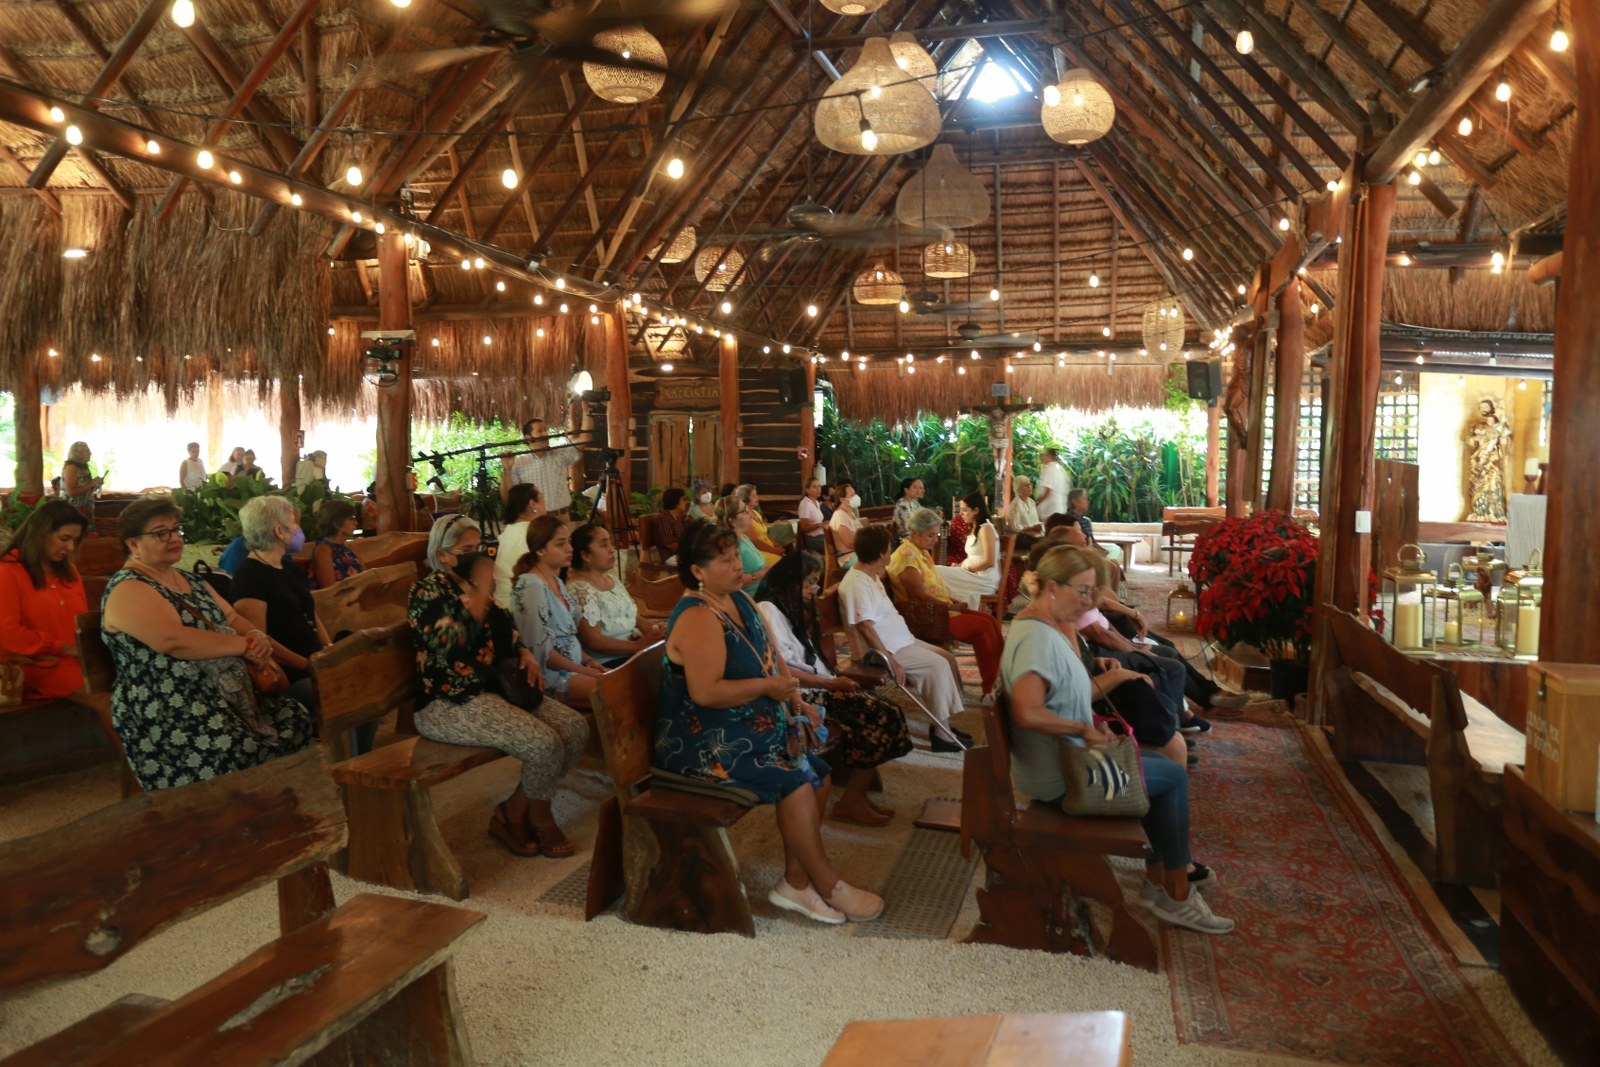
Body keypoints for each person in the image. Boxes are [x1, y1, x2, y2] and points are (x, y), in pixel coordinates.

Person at [657, 521, 884, 923]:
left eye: (735, 557)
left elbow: (772, 654)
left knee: (819, 772)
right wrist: (768, 687)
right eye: (725, 561)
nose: (736, 566)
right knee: (794, 781)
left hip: (746, 723)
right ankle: (828, 883)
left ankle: (795, 884)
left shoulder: (739, 600)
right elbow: (705, 692)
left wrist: (797, 700)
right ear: (697, 571)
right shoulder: (697, 617)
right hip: (705, 740)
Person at [1001, 544, 1233, 935]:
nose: (1090, 602)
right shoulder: (1036, 639)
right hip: (1062, 778)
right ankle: (1175, 894)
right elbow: (1027, 712)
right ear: (1052, 587)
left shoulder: (1044, 628)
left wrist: (1104, 676)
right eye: (1084, 592)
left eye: (1094, 593)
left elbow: (1068, 696)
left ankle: (1160, 883)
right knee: (1172, 778)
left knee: (1162, 769)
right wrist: (1082, 730)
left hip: (1067, 763)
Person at [100, 497, 313, 791]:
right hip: (172, 707)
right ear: (133, 544)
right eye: (161, 533)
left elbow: (233, 617)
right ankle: (236, 822)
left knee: (296, 718)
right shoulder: (128, 588)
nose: (174, 538)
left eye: (176, 530)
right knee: (234, 747)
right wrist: (243, 646)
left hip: (228, 696)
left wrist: (256, 636)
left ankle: (276, 812)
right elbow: (172, 640)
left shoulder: (190, 580)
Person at [409, 514, 588, 857]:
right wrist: (479, 592)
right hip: (448, 701)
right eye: (466, 550)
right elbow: (450, 643)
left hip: (496, 689)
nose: (477, 556)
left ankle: (514, 808)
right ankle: (540, 815)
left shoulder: (477, 588)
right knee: (542, 744)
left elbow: (506, 626)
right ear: (443, 555)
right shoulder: (426, 591)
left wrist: (524, 652)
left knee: (575, 729)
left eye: (479, 548)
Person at [759, 552, 910, 826]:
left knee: (887, 711)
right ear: (789, 581)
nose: (813, 591)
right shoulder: (768, 610)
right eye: (809, 583)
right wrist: (831, 683)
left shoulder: (787, 607)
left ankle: (857, 795)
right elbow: (781, 670)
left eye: (816, 584)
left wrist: (834, 678)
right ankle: (851, 800)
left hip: (820, 687)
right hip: (801, 695)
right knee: (880, 715)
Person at [839, 526, 968, 753]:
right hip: (883, 650)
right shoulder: (856, 584)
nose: (892, 552)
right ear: (880, 554)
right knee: (937, 666)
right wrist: (890, 659)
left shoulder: (871, 575)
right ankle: (941, 735)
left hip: (901, 641)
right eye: (889, 549)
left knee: (946, 658)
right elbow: (865, 626)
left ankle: (943, 723)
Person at [888, 506, 1004, 703]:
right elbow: (918, 595)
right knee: (983, 628)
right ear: (915, 533)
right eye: (930, 535)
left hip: (940, 610)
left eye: (935, 534)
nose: (935, 540)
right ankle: (989, 689)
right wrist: (950, 606)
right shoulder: (906, 556)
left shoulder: (919, 551)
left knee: (990, 622)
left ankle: (997, 683)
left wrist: (952, 601)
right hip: (927, 616)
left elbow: (933, 586)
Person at [227, 496, 327, 714]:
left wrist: (331, 651)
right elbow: (258, 639)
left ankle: (359, 749)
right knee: (349, 694)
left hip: (316, 662)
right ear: (279, 531)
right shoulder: (249, 577)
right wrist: (307, 665)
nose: (298, 529)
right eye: (293, 523)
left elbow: (310, 614)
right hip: (288, 673)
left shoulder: (287, 567)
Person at [510, 515, 606, 708]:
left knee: (626, 685)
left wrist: (589, 661)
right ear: (540, 550)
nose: (570, 549)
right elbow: (540, 652)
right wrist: (585, 671)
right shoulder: (531, 586)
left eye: (569, 542)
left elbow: (569, 635)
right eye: (560, 544)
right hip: (550, 675)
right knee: (615, 692)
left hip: (573, 668)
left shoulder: (558, 582)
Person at [0, 501, 89, 700]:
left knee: (131, 684)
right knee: (105, 697)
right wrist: (63, 647)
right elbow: (8, 635)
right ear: (41, 533)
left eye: (75, 540)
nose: (70, 547)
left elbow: (80, 621)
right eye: (64, 538)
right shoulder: (8, 569)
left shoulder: (68, 570)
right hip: (32, 663)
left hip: (73, 659)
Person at [566, 522, 663, 666]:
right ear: (585, 555)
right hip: (611, 662)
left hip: (635, 651)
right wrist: (638, 646)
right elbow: (593, 640)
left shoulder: (612, 580)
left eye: (610, 543)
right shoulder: (580, 589)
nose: (612, 549)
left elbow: (632, 616)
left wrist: (657, 630)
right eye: (604, 545)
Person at [501, 416, 580, 514]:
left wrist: (586, 411)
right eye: (540, 431)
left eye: (545, 430)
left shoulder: (559, 455)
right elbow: (507, 496)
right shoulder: (519, 463)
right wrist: (507, 470)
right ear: (528, 438)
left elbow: (584, 440)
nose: (545, 434)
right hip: (535, 519)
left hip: (561, 516)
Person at [937, 492, 1001, 610]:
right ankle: (951, 611)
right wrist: (959, 565)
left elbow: (989, 561)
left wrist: (966, 568)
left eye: (964, 510)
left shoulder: (986, 529)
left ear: (976, 510)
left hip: (984, 579)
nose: (961, 513)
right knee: (934, 570)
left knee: (935, 572)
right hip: (973, 574)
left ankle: (951, 611)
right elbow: (972, 557)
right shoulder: (974, 528)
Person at [494, 483, 544, 608]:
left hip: (503, 600)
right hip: (516, 605)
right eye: (542, 498)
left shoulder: (511, 529)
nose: (545, 502)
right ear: (533, 504)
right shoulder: (529, 533)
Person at [1465, 398, 1511, 523]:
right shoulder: (1477, 424)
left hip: (1493, 461)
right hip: (1479, 459)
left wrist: (1504, 442)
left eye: (1486, 407)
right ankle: (1478, 512)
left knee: (1493, 484)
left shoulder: (1500, 425)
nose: (1483, 409)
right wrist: (1477, 439)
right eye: (1481, 407)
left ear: (1491, 408)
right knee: (1477, 486)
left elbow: (1506, 439)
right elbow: (1469, 440)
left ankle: (1494, 513)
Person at [714, 494, 770, 588]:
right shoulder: (730, 545)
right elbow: (732, 580)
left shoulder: (744, 537)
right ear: (731, 520)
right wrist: (758, 575)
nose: (749, 512)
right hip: (753, 597)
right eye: (744, 510)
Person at [308, 498, 365, 591]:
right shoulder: (324, 551)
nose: (356, 523)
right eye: (351, 519)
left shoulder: (351, 548)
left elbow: (366, 578)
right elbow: (330, 592)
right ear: (337, 523)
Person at [734, 484, 785, 562]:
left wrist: (777, 545)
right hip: (758, 551)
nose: (757, 498)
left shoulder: (756, 513)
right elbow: (754, 541)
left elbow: (765, 533)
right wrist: (774, 551)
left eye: (756, 495)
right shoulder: (745, 516)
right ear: (745, 498)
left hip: (770, 549)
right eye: (753, 496)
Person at [828, 479, 862, 569]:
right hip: (849, 557)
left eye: (855, 494)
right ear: (842, 499)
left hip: (860, 553)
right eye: (852, 495)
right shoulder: (840, 515)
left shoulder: (851, 513)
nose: (856, 497)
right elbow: (850, 543)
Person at [651, 488, 690, 563]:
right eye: (683, 500)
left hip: (681, 554)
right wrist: (688, 549)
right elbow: (670, 544)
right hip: (671, 556)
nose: (686, 502)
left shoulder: (677, 517)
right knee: (700, 563)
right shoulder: (664, 518)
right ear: (676, 503)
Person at [60, 441, 104, 508]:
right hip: (73, 510)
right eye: (87, 451)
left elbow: (85, 489)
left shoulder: (83, 467)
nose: (90, 453)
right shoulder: (71, 468)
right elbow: (70, 492)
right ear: (77, 453)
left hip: (85, 508)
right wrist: (91, 484)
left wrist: (96, 484)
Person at [1035, 446, 1069, 524]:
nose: (1043, 457)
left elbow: (1048, 490)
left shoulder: (1049, 468)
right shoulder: (1059, 468)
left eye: (1044, 455)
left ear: (1050, 456)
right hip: (1058, 508)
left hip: (1050, 509)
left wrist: (1037, 503)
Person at [1006, 476, 1043, 542]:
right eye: (1026, 485)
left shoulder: (1031, 502)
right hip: (1021, 537)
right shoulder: (1015, 504)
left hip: (1033, 535)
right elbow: (1013, 527)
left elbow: (1036, 521)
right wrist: (1029, 529)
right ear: (1019, 488)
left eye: (1030, 484)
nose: (1030, 487)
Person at [796, 477, 826, 554]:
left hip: (822, 535)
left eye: (819, 486)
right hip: (813, 539)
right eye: (814, 487)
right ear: (807, 490)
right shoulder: (805, 504)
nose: (818, 489)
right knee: (835, 545)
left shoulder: (816, 502)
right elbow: (804, 527)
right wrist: (820, 525)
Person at [892, 477, 925, 542]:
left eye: (919, 488)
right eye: (914, 488)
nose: (918, 490)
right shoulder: (903, 505)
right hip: (905, 539)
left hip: (913, 535)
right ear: (906, 490)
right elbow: (909, 528)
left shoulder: (912, 503)